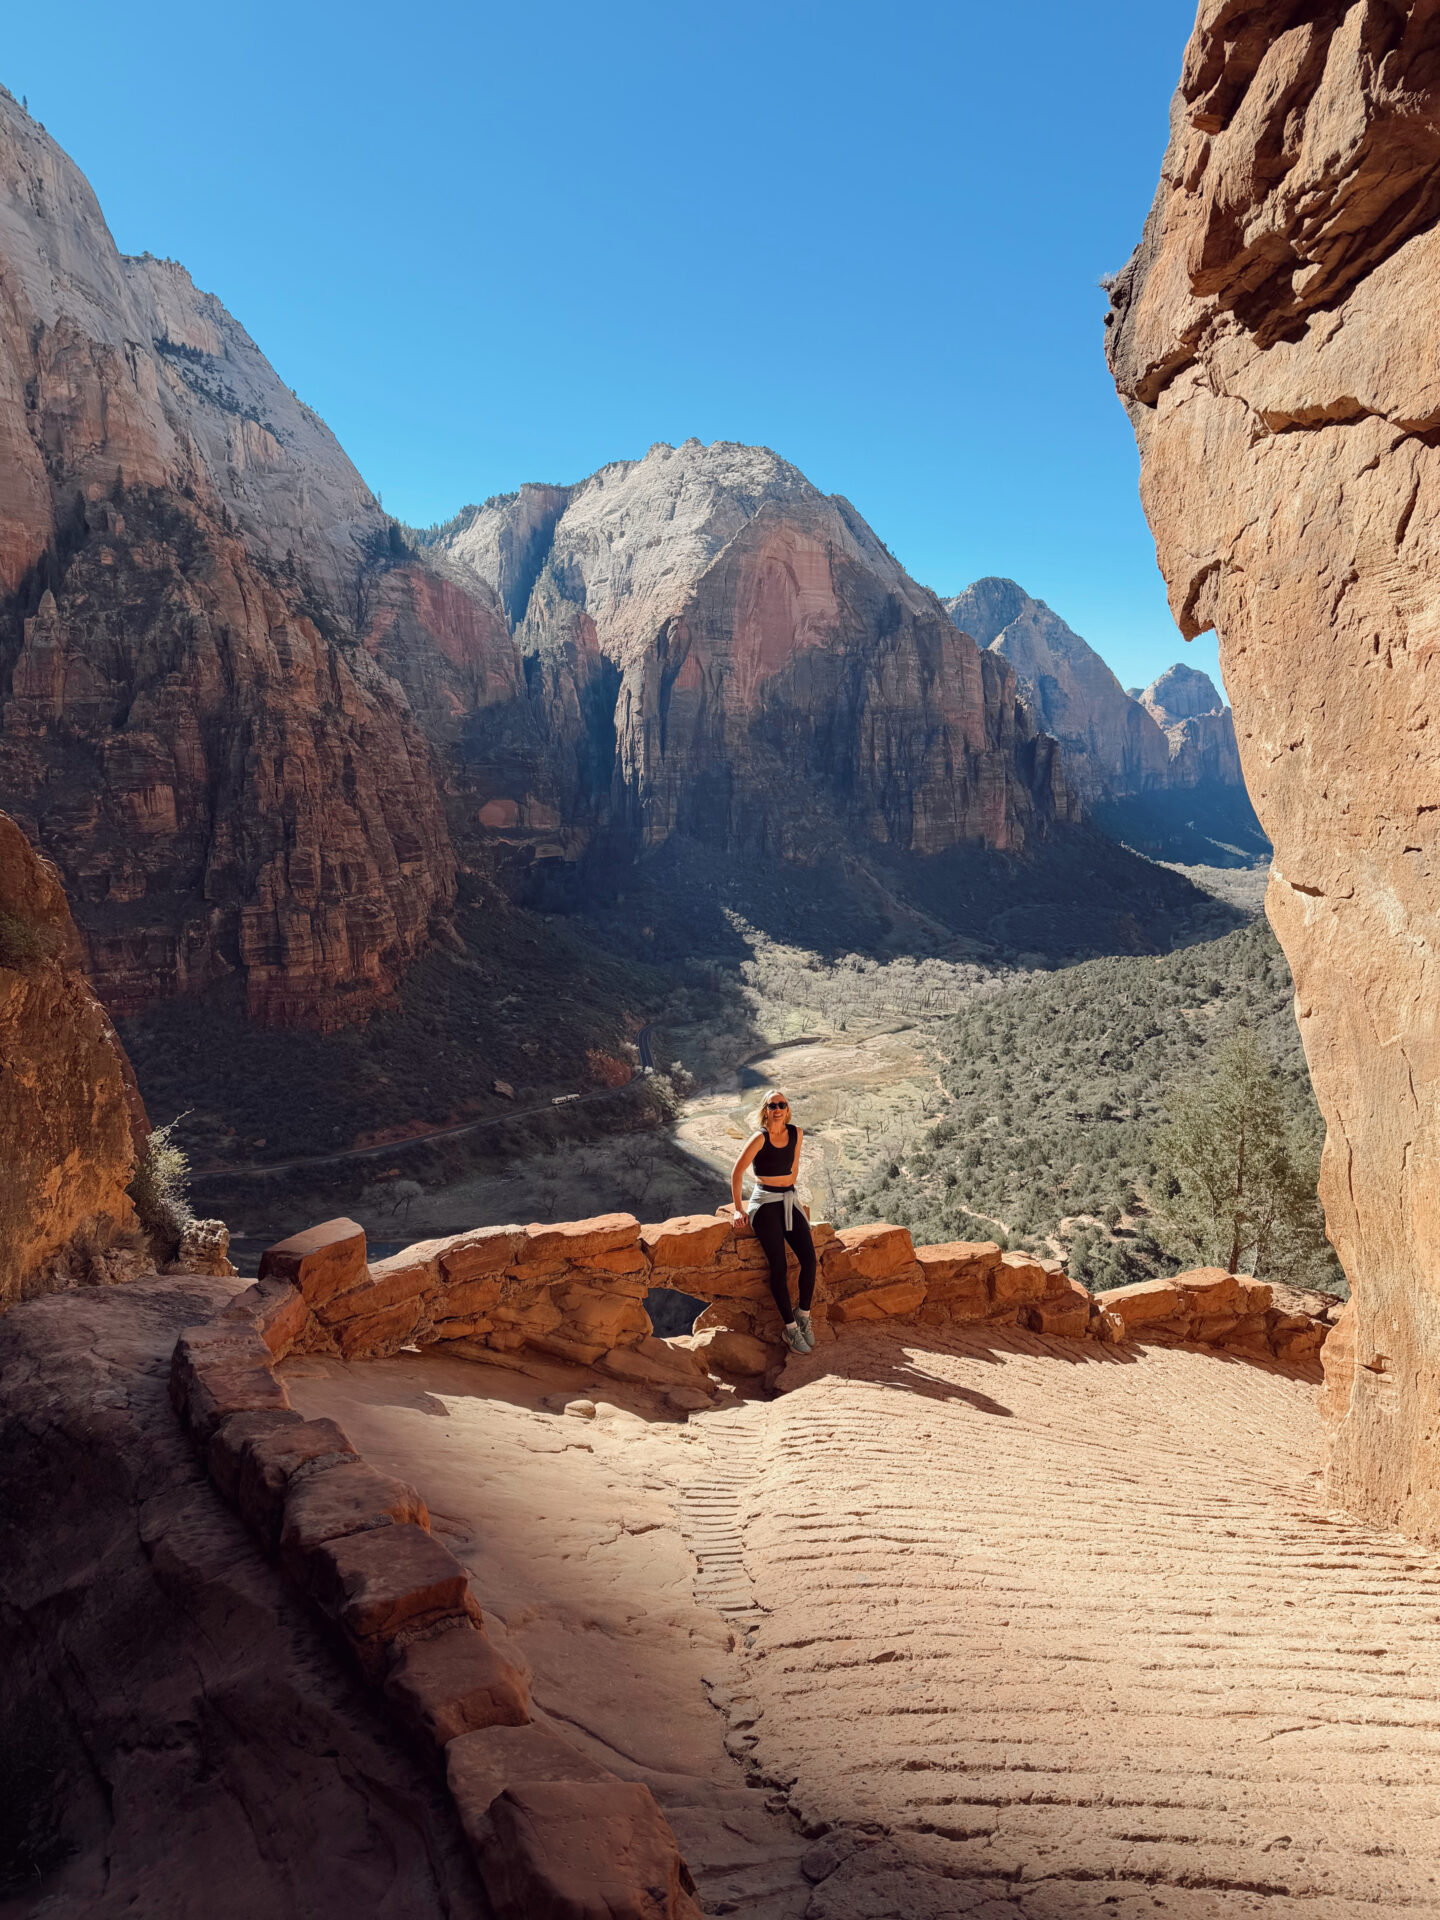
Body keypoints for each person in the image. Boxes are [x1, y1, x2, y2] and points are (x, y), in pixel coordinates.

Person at [731, 1088, 816, 1354]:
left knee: (810, 1261)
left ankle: (803, 1315)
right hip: (765, 1202)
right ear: (765, 1110)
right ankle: (790, 1330)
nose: (778, 1109)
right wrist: (737, 1209)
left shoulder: (796, 1133)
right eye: (772, 1105)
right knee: (778, 1266)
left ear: (787, 1108)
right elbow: (736, 1173)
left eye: (782, 1104)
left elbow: (795, 1167)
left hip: (789, 1199)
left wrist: (795, 1197)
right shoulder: (760, 1137)